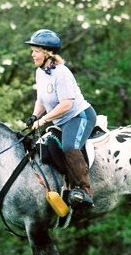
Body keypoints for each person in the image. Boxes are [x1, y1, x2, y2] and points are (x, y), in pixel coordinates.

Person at [25, 29, 97, 206]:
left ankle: (86, 191)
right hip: (61, 120)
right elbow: (41, 99)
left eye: (36, 51)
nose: (32, 55)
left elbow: (67, 104)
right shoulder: (40, 72)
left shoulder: (62, 73)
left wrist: (43, 120)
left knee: (69, 147)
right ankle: (67, 186)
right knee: (47, 146)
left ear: (47, 53)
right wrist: (35, 116)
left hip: (80, 116)